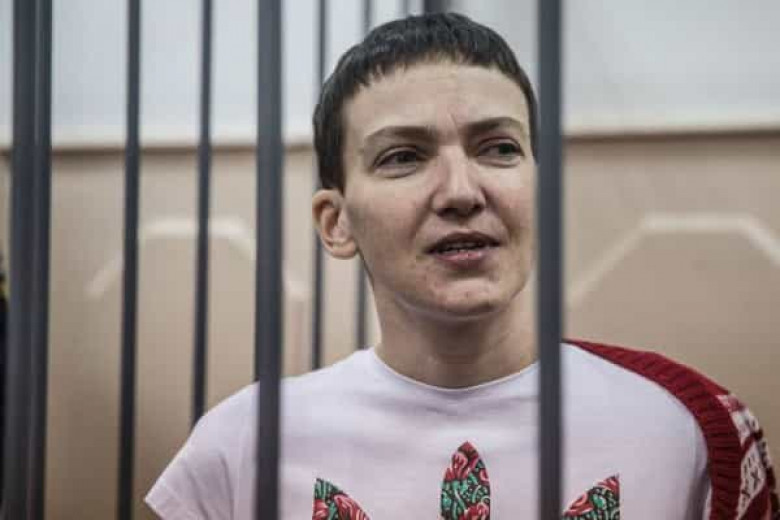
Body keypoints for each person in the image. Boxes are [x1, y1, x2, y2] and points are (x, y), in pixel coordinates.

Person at [146, 12, 778, 519]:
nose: (460, 191)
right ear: (336, 223)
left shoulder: (688, 431)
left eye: (498, 148)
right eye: (403, 157)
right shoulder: (242, 447)